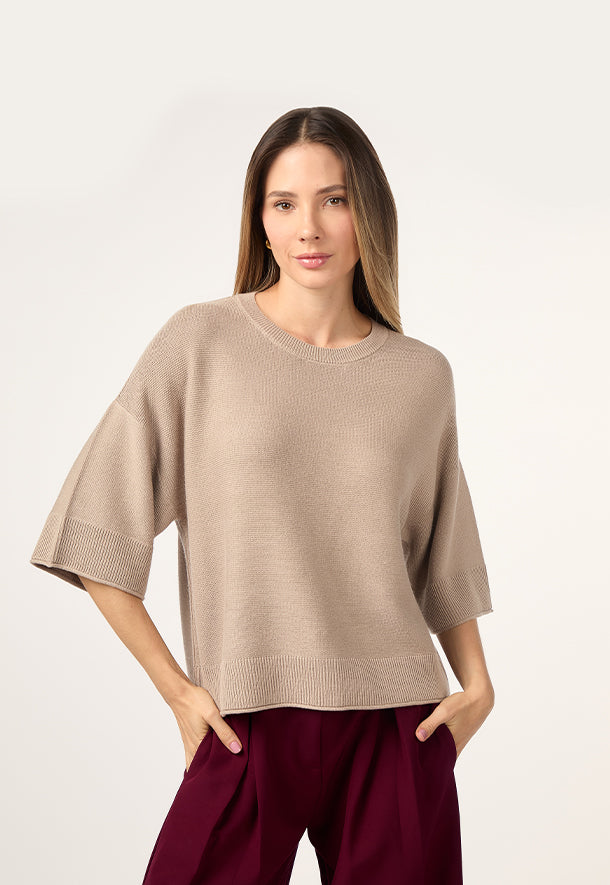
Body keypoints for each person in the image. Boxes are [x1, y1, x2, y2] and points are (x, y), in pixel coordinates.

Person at [30, 106, 495, 884]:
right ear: (261, 222)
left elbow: (440, 549)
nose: (308, 226)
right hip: (243, 718)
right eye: (284, 203)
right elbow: (96, 527)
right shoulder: (200, 341)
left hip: (396, 723)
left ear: (368, 213)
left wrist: (477, 683)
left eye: (334, 199)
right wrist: (179, 692)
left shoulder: (421, 374)